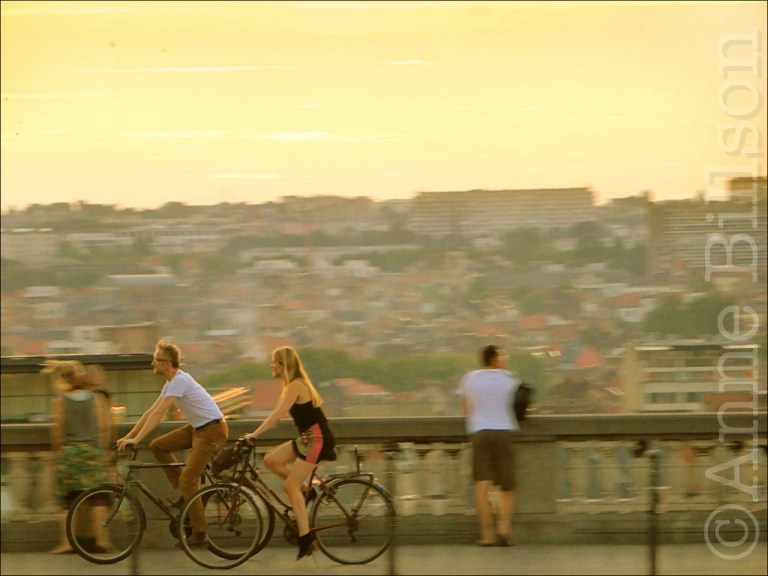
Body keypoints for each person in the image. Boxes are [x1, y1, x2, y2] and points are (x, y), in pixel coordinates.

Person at [116, 340, 227, 549]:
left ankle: (200, 532)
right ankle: (186, 495)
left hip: (212, 430)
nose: (152, 364)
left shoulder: (180, 381)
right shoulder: (170, 383)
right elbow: (151, 411)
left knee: (188, 480)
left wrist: (137, 440)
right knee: (158, 446)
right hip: (197, 428)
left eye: (155, 360)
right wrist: (129, 436)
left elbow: (159, 414)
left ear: (166, 363)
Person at [243, 346, 336, 560]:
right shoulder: (291, 385)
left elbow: (277, 415)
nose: (271, 365)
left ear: (285, 365)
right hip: (307, 439)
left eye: (275, 361)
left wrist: (255, 434)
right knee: (271, 460)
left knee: (289, 486)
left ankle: (305, 538)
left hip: (317, 440)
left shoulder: (295, 385)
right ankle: (307, 492)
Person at [44, 359, 111, 554]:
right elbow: (103, 428)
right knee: (99, 499)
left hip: (70, 453)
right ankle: (102, 540)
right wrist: (104, 451)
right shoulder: (96, 399)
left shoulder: (60, 401)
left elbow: (58, 430)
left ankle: (66, 543)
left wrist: (57, 453)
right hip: (93, 452)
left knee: (67, 500)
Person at [456, 344, 520, 547]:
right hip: (504, 431)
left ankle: (487, 535)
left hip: (481, 432)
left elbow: (466, 406)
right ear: (495, 359)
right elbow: (519, 404)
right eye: (503, 356)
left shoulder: (470, 378)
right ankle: (504, 527)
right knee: (507, 485)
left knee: (481, 486)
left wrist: (475, 424)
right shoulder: (510, 378)